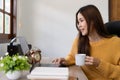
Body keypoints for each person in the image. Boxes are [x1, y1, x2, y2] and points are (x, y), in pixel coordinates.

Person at [52, 5, 120, 80]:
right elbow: (72, 57)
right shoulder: (79, 41)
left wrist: (99, 64)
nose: (79, 25)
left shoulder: (116, 43)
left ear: (93, 21)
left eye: (81, 21)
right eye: (78, 22)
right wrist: (65, 61)